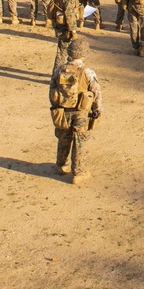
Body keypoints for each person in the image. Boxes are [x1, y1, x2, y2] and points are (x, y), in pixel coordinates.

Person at [49, 38, 102, 185]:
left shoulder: (59, 70)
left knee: (63, 138)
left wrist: (55, 106)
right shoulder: (87, 72)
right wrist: (97, 109)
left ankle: (61, 165)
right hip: (81, 112)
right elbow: (96, 92)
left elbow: (52, 89)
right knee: (79, 141)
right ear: (84, 54)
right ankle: (78, 172)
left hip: (62, 110)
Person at [49, 0, 82, 69]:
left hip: (59, 25)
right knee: (63, 54)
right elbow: (69, 14)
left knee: (62, 52)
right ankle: (58, 75)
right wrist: (73, 31)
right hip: (66, 28)